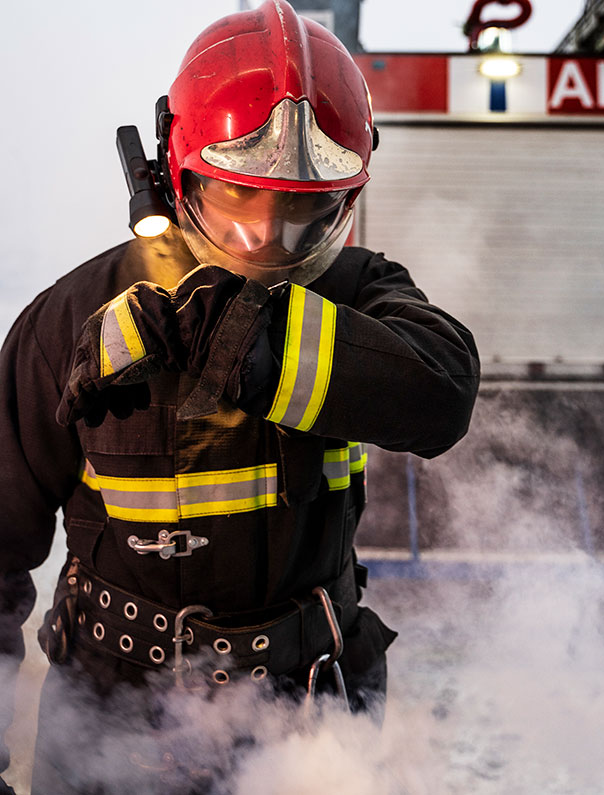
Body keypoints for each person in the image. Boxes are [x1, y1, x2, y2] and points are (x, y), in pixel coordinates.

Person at [0, 2, 479, 792]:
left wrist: (270, 344)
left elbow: (444, 391)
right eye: (238, 199)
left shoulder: (355, 291)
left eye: (302, 211)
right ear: (174, 173)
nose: (267, 240)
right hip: (112, 721)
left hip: (312, 718)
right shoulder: (68, 321)